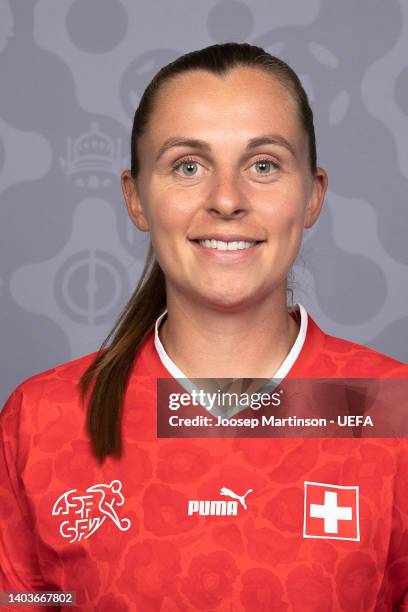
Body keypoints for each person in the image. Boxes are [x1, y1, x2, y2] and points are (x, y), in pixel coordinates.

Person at [1, 42, 407, 611]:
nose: (225, 200)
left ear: (312, 195)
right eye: (188, 166)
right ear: (135, 198)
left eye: (263, 165)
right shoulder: (42, 419)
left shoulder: (393, 409)